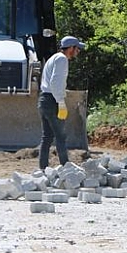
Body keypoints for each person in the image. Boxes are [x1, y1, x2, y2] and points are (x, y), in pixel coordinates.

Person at [38, 35, 85, 169]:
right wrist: (60, 102)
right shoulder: (62, 59)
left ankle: (43, 169)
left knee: (47, 137)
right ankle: (66, 168)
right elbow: (55, 82)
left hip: (44, 99)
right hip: (52, 100)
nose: (78, 51)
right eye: (77, 48)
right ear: (70, 48)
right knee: (60, 135)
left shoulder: (53, 58)